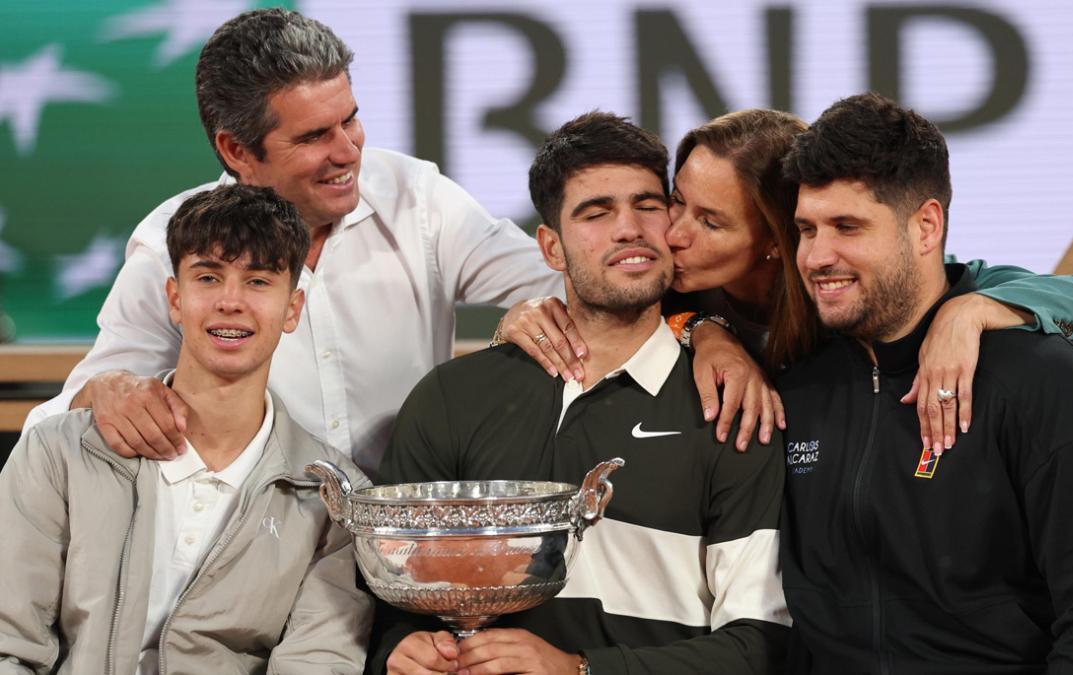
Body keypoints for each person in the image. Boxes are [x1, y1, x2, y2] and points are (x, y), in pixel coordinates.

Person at [24, 8, 772, 478]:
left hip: (412, 554)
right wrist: (107, 394)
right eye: (313, 137)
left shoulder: (418, 197)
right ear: (237, 150)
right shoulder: (172, 242)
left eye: (350, 119)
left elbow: (585, 277)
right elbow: (54, 423)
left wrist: (706, 329)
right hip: (245, 560)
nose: (347, 150)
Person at [370, 112, 789, 674]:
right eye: (596, 213)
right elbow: (387, 597)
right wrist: (399, 648)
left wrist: (580, 669)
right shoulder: (452, 396)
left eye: (648, 205)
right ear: (551, 247)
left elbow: (761, 643)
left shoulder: (734, 405)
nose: (629, 229)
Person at [777, 92, 1073, 673]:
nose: (816, 256)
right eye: (806, 229)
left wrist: (971, 311)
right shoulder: (794, 386)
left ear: (926, 226)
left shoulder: (1042, 380)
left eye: (847, 227)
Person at [499, 109, 1073, 455]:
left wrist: (969, 314)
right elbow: (588, 302)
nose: (673, 234)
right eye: (676, 202)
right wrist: (705, 331)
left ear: (777, 239)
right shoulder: (671, 287)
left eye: (711, 221)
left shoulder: (861, 292)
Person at [0, 185, 373, 674]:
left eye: (258, 281)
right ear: (175, 299)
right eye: (209, 277)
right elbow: (8, 644)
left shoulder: (335, 500)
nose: (230, 302)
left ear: (292, 309)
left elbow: (316, 663)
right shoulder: (57, 452)